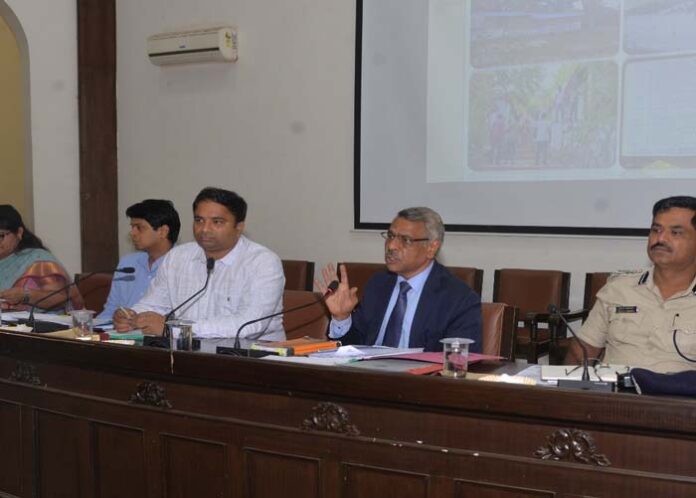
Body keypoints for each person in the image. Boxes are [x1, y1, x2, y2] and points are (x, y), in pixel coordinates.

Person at [113, 187, 285, 340]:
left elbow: (249, 325)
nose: (205, 229)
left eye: (217, 222)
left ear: (239, 227)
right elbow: (154, 303)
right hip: (187, 353)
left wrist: (174, 330)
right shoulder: (177, 257)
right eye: (199, 220)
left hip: (251, 357)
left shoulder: (263, 263)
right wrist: (131, 316)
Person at [317, 207, 481, 352]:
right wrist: (342, 318)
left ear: (432, 247)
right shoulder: (378, 284)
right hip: (368, 375)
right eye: (390, 236)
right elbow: (352, 349)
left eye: (405, 240)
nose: (391, 246)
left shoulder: (459, 299)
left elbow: (460, 362)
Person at [567, 196, 696, 373]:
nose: (660, 238)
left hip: (678, 391)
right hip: (616, 388)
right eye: (656, 230)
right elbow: (580, 354)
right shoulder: (619, 288)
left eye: (675, 233)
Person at [98, 199, 181, 320]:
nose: (132, 233)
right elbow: (111, 309)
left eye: (139, 227)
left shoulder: (183, 265)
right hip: (119, 330)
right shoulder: (127, 263)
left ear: (163, 231)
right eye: (132, 227)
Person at [0, 205, 83, 311]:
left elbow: (61, 299)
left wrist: (25, 295)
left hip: (40, 321)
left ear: (19, 233)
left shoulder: (38, 260)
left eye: (1, 235)